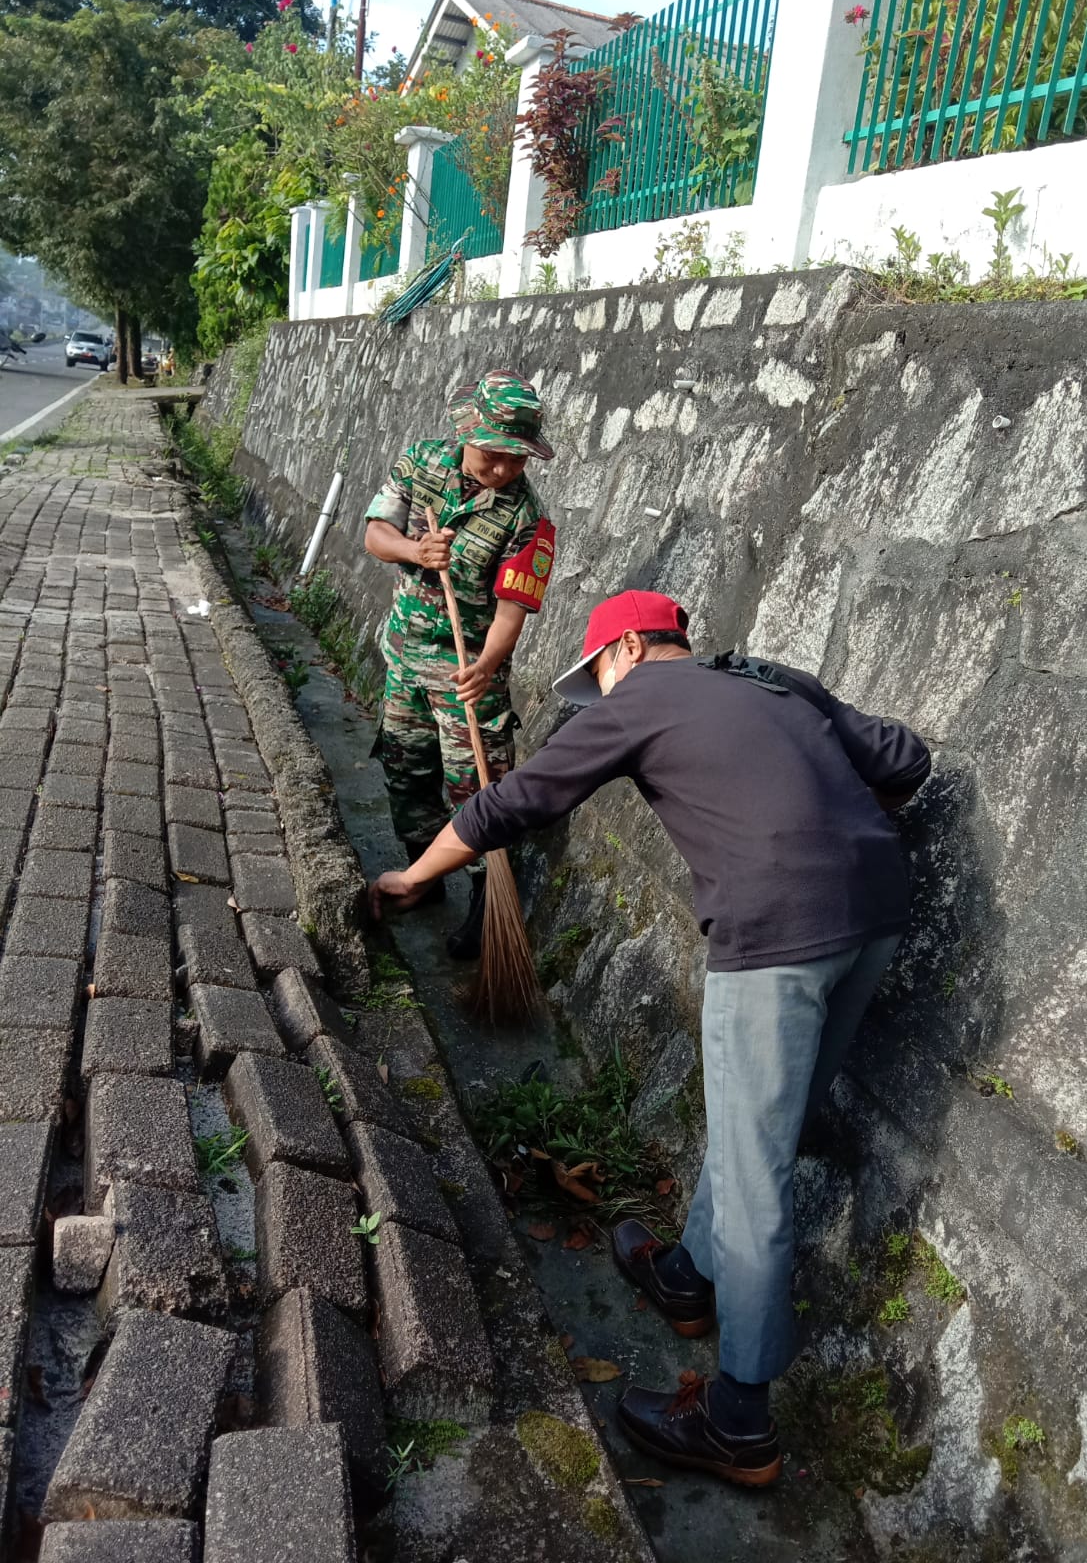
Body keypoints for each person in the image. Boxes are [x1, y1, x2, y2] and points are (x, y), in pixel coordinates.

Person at [369, 589, 930, 1486]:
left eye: (598, 675)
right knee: (760, 1132)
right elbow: (905, 759)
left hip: (778, 933)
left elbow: (512, 803)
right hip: (875, 919)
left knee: (756, 1174)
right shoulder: (772, 677)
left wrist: (411, 877)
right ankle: (685, 1275)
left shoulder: (640, 696)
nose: (603, 692)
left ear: (624, 647)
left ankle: (740, 1423)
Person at [364, 369, 557, 959]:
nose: (503, 468)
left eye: (516, 459)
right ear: (468, 431)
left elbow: (512, 609)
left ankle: (485, 904)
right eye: (494, 453)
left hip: (467, 676)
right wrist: (415, 550)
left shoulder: (530, 519)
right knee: (406, 772)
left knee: (475, 793)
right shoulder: (422, 463)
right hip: (404, 656)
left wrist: (486, 665)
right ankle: (420, 879)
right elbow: (375, 534)